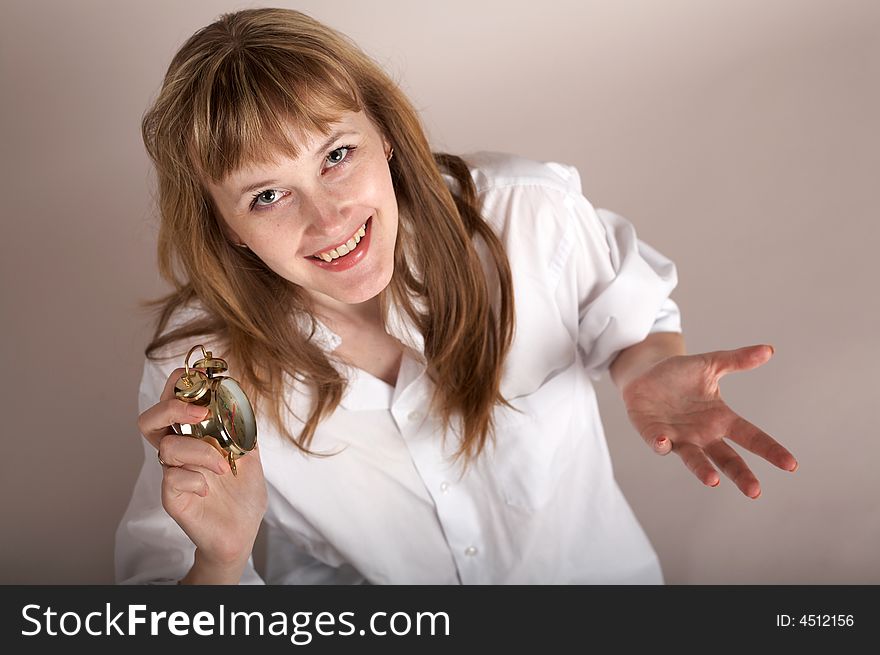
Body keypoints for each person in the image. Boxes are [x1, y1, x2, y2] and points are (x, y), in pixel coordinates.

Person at [115, 7, 798, 585]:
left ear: (382, 133)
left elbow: (633, 322)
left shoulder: (528, 214)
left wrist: (647, 368)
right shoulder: (200, 371)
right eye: (267, 195)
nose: (328, 220)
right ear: (224, 227)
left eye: (336, 155)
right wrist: (221, 559)